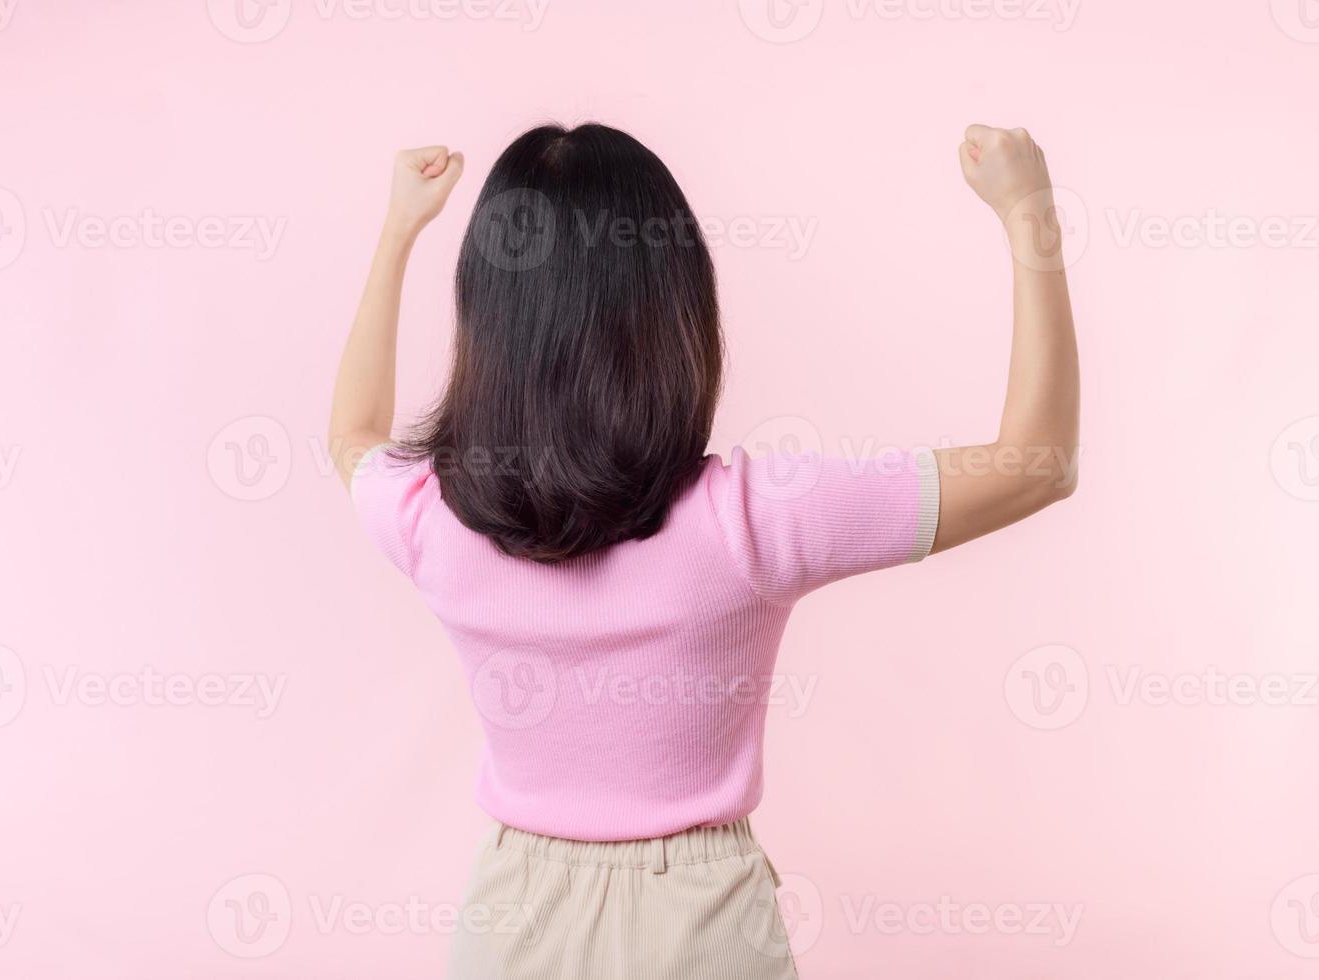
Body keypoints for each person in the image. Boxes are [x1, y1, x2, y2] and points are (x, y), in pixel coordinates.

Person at [327, 122, 1078, 979]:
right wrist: (1029, 215)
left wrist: (397, 231)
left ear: (487, 326)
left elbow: (350, 434)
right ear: (676, 317)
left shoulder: (429, 518)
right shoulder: (750, 521)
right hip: (703, 925)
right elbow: (1039, 465)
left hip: (508, 923)